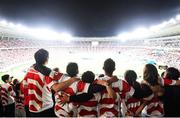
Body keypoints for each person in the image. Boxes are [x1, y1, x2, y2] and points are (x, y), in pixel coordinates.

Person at [21, 49, 79, 117]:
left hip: (32, 108)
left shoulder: (29, 71)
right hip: (45, 108)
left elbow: (24, 86)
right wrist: (73, 79)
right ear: (47, 59)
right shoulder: (46, 75)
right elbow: (56, 88)